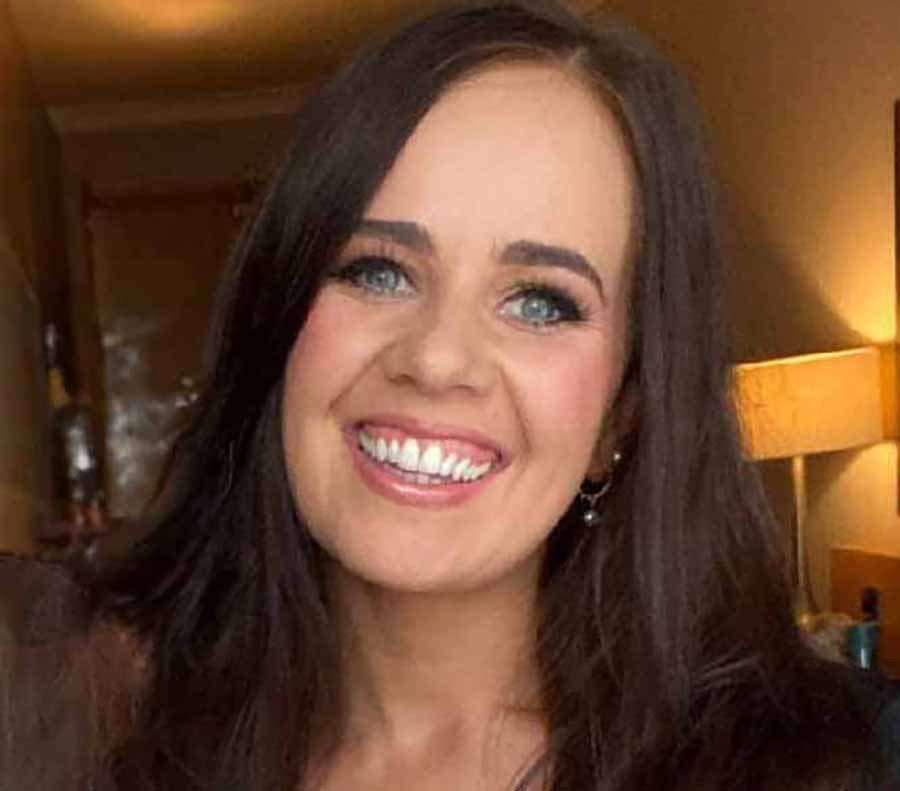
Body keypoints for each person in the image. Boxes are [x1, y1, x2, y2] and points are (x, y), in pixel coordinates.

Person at [2, 1, 898, 789]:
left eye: (541, 301)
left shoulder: (836, 763)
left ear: (620, 416)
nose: (435, 358)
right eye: (377, 269)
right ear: (280, 326)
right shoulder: (113, 742)